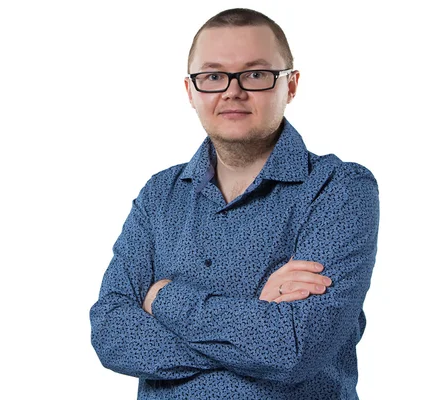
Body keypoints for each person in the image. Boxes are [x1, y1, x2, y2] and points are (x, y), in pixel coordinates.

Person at [90, 7, 379, 400]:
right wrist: (257, 324)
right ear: (191, 91)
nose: (232, 90)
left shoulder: (339, 188)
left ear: (290, 86)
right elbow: (110, 333)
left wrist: (162, 298)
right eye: (212, 76)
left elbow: (294, 349)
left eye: (256, 74)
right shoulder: (159, 195)